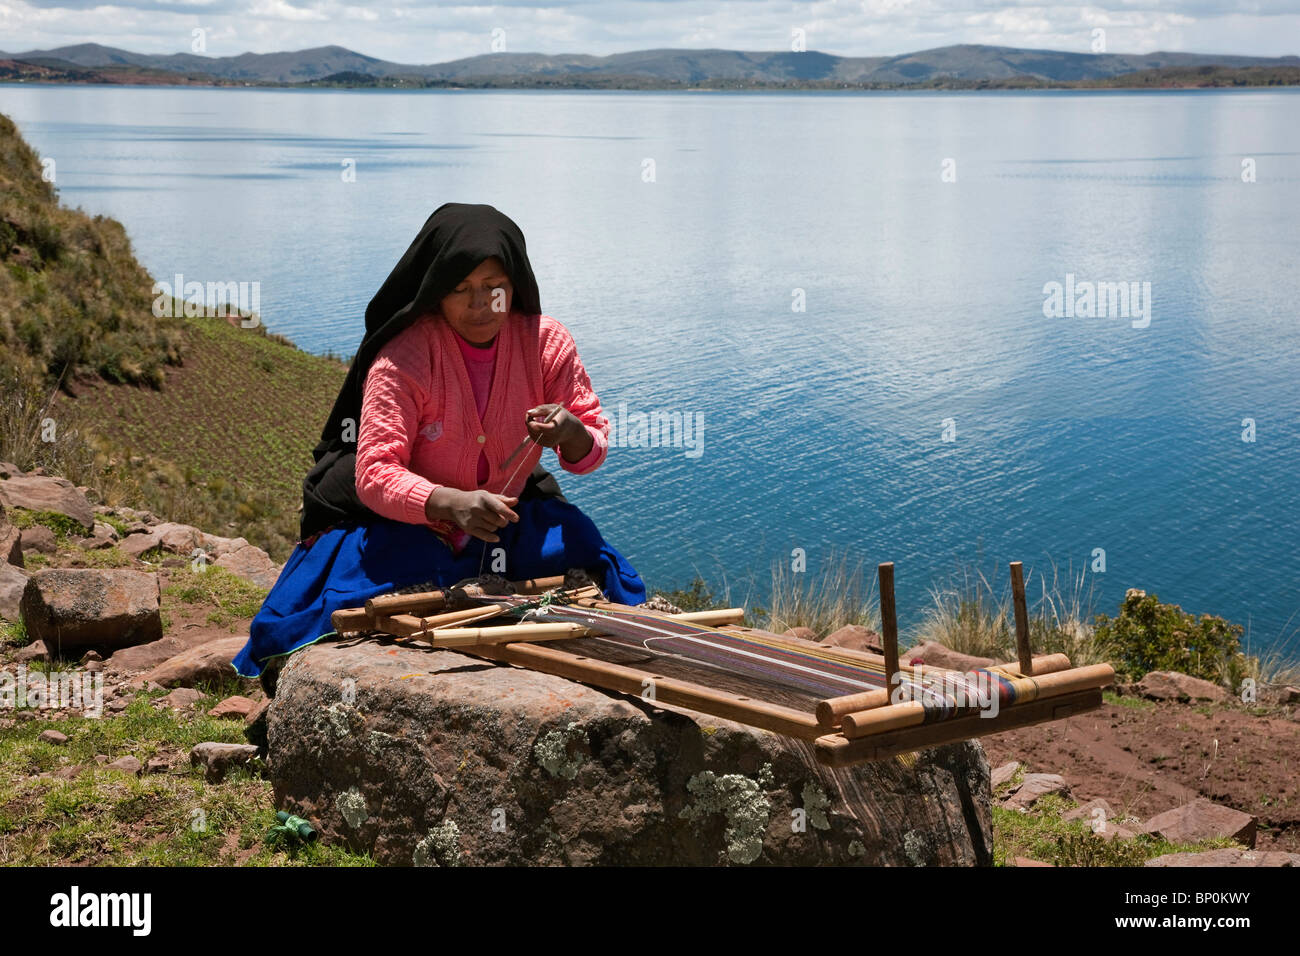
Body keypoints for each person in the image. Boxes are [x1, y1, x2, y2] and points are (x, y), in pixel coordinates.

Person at [231, 203, 646, 684]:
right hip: (410, 519)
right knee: (375, 581)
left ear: (514, 285)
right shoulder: (407, 356)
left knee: (584, 548)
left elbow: (591, 442)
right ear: (433, 292)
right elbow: (376, 472)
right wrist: (448, 504)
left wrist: (571, 431)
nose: (479, 303)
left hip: (501, 511)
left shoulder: (546, 344)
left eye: (495, 287)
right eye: (460, 288)